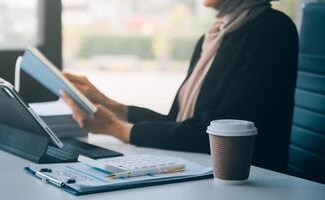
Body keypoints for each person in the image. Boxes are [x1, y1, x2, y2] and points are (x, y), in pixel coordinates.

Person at [61, 0, 298, 173]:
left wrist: (116, 128)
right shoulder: (213, 37)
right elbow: (178, 123)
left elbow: (217, 135)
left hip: (250, 182)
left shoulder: (273, 30)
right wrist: (106, 102)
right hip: (201, 171)